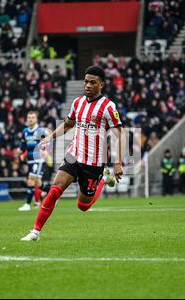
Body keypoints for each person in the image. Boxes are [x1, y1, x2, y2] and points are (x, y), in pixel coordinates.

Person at [21, 66, 123, 241]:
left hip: (94, 163)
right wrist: (50, 137)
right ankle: (35, 231)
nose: (88, 85)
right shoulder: (77, 102)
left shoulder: (108, 107)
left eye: (93, 82)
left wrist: (118, 163)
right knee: (54, 190)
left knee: (83, 206)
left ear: (101, 85)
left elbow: (119, 134)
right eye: (86, 81)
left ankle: (104, 179)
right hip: (73, 155)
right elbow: (68, 125)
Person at [17, 111, 51, 212]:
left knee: (30, 179)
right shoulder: (25, 131)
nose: (30, 119)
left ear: (36, 119)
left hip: (38, 159)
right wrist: (22, 153)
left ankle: (27, 204)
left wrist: (44, 150)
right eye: (29, 117)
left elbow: (47, 142)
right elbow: (23, 145)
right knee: (38, 184)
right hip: (30, 160)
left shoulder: (40, 131)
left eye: (32, 117)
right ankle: (53, 192)